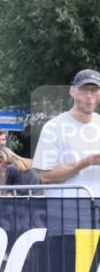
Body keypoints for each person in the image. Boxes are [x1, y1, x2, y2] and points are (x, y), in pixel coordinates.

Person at [32, 68, 100, 197]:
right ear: (72, 91)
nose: (89, 95)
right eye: (84, 89)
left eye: (94, 89)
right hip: (67, 206)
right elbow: (46, 177)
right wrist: (86, 162)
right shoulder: (53, 127)